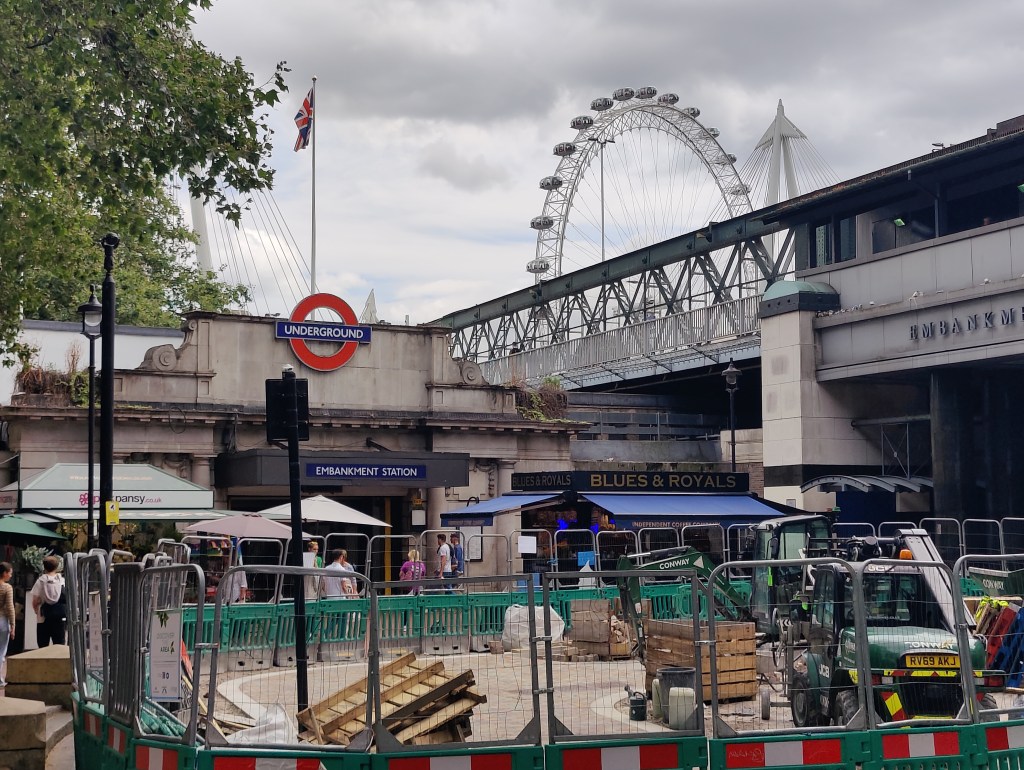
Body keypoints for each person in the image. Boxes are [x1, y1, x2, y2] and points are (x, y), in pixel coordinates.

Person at [30, 555, 66, 647]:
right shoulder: (62, 581)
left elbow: (35, 601)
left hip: (43, 618)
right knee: (59, 645)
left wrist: (36, 611)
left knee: (43, 646)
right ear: (57, 566)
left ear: (44, 566)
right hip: (59, 617)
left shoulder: (40, 581)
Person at [0, 562, 14, 687]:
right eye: (10, 573)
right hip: (2, 621)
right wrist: (13, 625)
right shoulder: (7, 587)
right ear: (4, 573)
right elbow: (10, 607)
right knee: (1, 651)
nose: (10, 575)